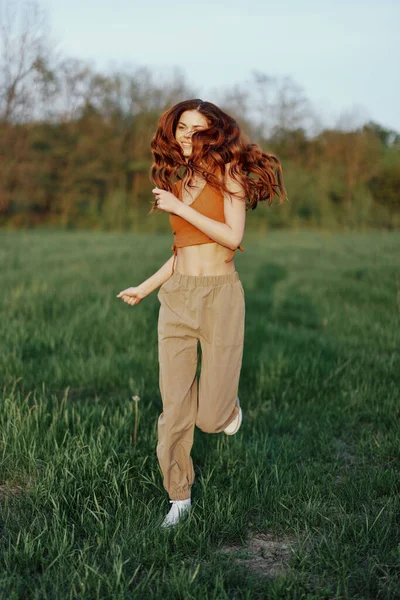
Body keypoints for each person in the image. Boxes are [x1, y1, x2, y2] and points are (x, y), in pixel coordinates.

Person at [117, 99, 285, 528]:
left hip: (220, 298)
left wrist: (180, 209)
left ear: (215, 133)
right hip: (177, 297)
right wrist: (146, 286)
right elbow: (181, 251)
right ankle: (178, 496)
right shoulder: (181, 180)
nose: (188, 136)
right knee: (174, 406)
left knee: (209, 418)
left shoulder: (229, 176)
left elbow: (231, 238)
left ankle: (227, 411)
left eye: (197, 129)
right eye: (182, 128)